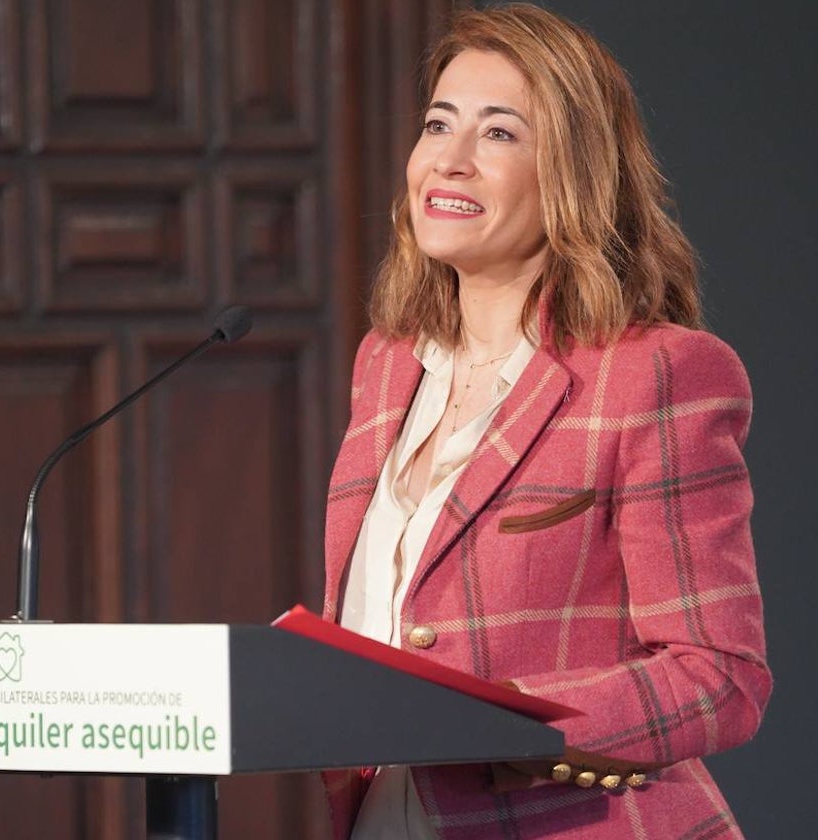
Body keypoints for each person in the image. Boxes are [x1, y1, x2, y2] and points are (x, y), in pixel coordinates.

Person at [320, 4, 771, 839]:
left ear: (571, 173)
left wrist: (512, 723)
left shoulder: (656, 375)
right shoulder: (387, 364)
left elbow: (720, 676)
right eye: (437, 125)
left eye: (497, 135)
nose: (449, 162)